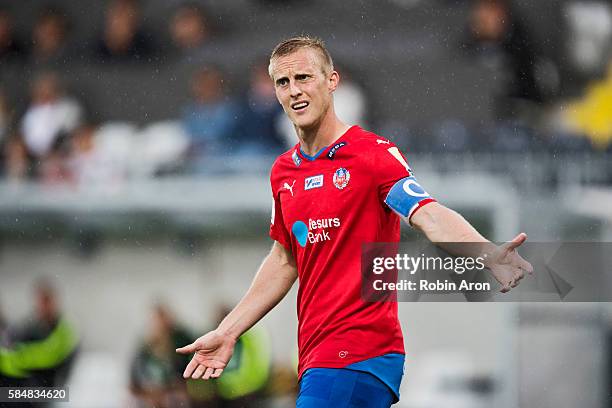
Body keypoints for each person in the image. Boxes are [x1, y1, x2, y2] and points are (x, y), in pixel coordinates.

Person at [177, 36, 533, 407]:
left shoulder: (372, 155)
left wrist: (487, 252)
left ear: (332, 80)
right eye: (283, 83)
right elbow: (284, 259)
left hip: (357, 352)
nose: (294, 91)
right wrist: (228, 331)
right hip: (319, 357)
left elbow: (426, 213)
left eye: (304, 77)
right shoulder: (283, 172)